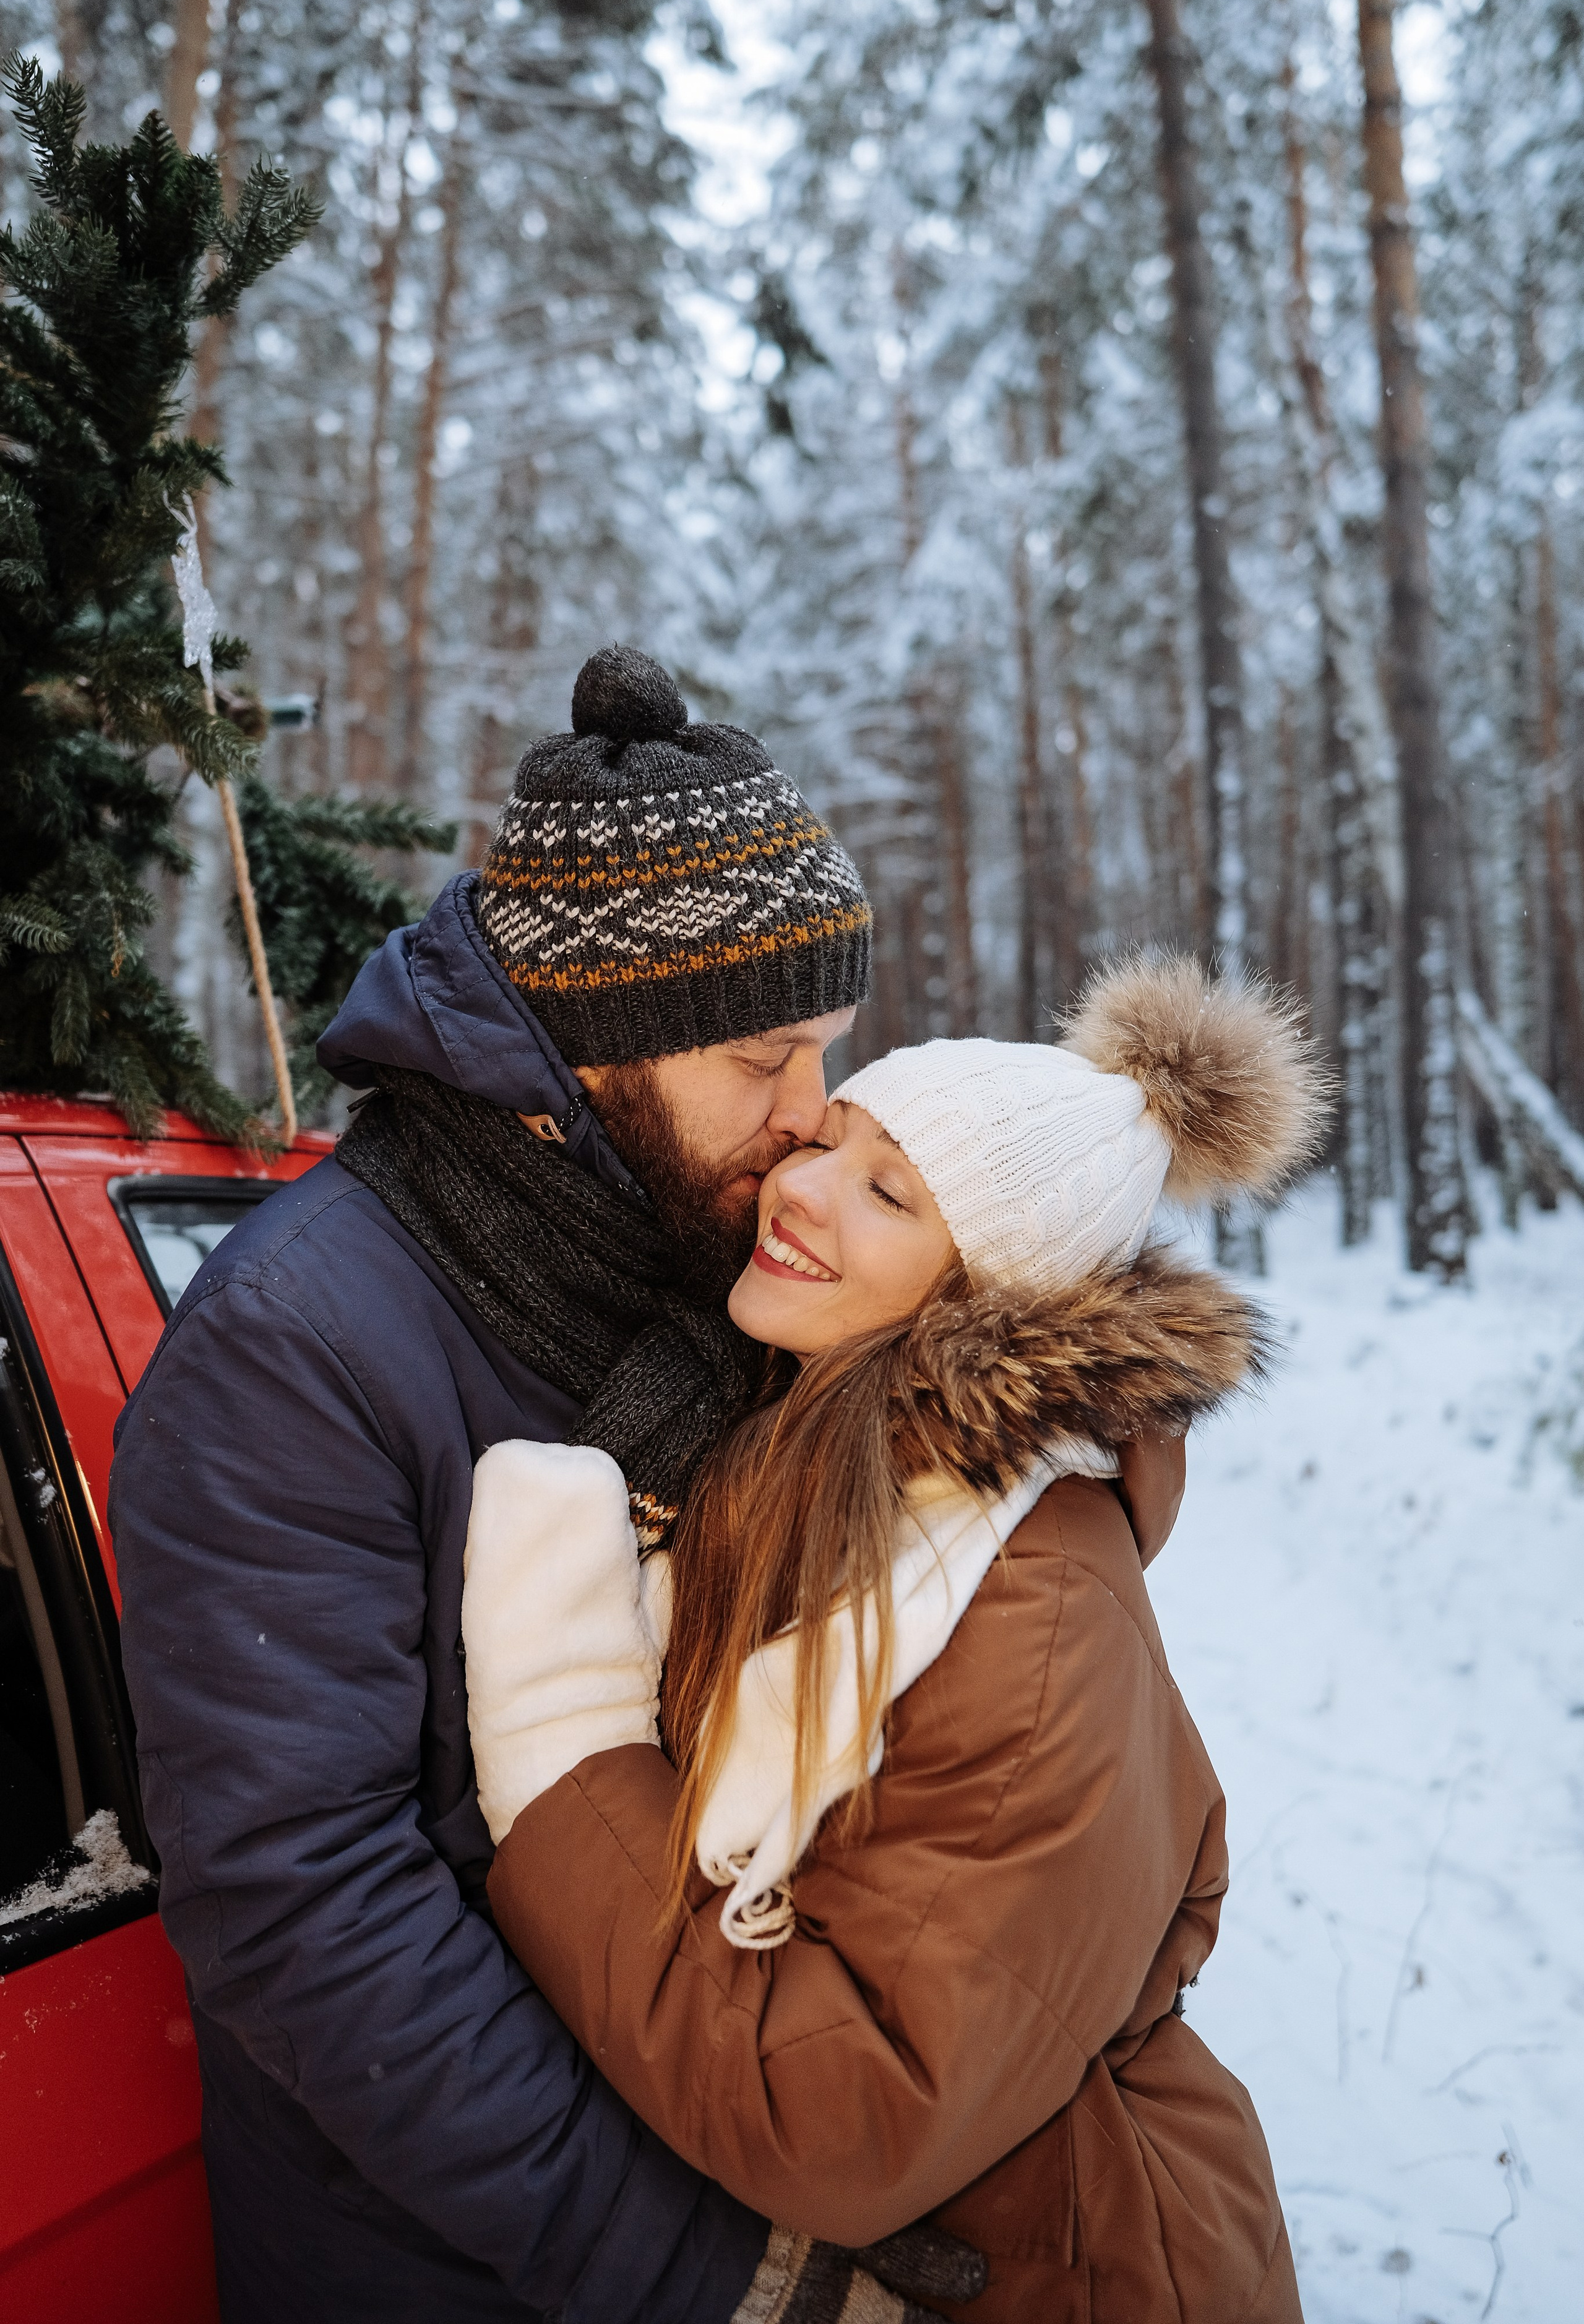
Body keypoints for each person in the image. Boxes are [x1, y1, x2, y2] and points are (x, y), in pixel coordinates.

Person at [111, 647, 1002, 2323]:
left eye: (828, 1052)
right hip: (455, 2267)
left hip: (743, 2135)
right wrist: (714, 2268)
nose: (813, 1119)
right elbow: (307, 1907)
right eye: (762, 1063)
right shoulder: (297, 1348)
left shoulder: (716, 1256)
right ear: (598, 1042)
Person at [463, 957, 1325, 2323]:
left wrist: (563, 1725)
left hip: (1070, 2273)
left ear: (975, 1304)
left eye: (887, 1193)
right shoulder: (801, 1456)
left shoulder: (1028, 1619)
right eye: (826, 1141)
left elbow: (841, 2118)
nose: (797, 1186)